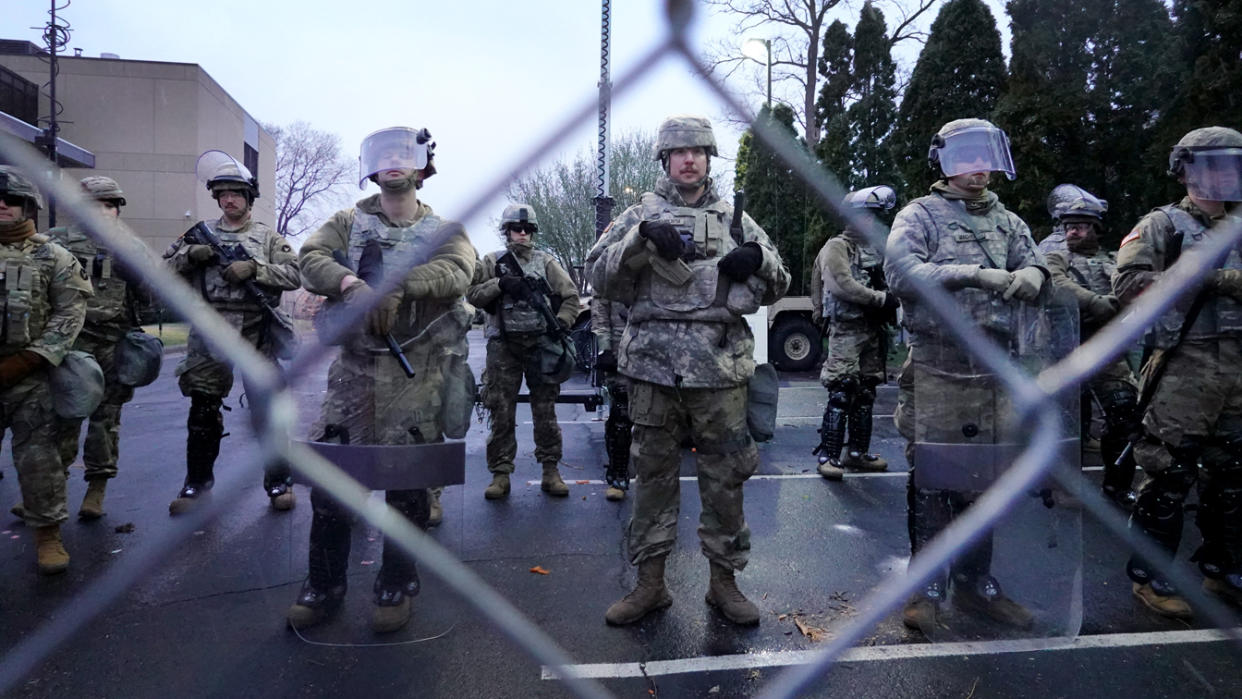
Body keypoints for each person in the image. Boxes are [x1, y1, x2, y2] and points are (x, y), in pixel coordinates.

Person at [592, 115, 790, 626]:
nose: (689, 160)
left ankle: (724, 584)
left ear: (708, 159)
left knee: (724, 479)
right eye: (679, 152)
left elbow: (780, 280)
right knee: (653, 477)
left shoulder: (735, 218)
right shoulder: (639, 214)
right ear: (664, 159)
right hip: (654, 374)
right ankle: (650, 586)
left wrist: (758, 260)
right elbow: (597, 273)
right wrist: (638, 240)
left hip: (720, 372)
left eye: (699, 151)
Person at [287, 126, 476, 633]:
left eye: (404, 154)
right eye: (384, 155)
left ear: (421, 168)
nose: (394, 162)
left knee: (407, 483)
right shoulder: (347, 221)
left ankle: (396, 581)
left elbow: (459, 272)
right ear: (372, 166)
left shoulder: (443, 229)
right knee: (333, 480)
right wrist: (349, 283)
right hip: (354, 370)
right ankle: (323, 584)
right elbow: (310, 258)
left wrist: (398, 287)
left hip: (415, 372)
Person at [885, 118, 1048, 635]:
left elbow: (1039, 265)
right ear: (945, 161)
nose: (979, 168)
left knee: (984, 483)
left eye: (986, 156)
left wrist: (1036, 275)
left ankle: (977, 584)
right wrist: (972, 274)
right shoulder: (921, 215)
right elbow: (899, 273)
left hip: (994, 372)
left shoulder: (1008, 222)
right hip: (939, 368)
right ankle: (926, 588)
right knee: (935, 479)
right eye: (967, 157)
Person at [1113, 126, 1242, 619]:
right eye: (1217, 164)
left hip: (1236, 366)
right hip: (1185, 365)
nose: (1226, 174)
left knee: (1233, 473)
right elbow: (1128, 283)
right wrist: (1210, 278)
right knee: (1168, 473)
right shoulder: (1163, 225)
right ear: (1188, 169)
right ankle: (1151, 578)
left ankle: (1224, 570)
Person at [163, 151, 301, 516]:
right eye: (223, 194)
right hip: (210, 333)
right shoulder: (197, 236)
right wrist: (191, 256)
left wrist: (255, 268)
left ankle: (279, 481)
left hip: (257, 334)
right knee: (203, 412)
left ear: (249, 198)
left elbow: (295, 274)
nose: (229, 199)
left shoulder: (268, 238)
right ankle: (196, 486)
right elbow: (161, 270)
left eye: (236, 193)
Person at [0, 166, 91, 574]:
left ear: (28, 206)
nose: (3, 205)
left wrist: (27, 360)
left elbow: (70, 314)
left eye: (12, 200)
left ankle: (47, 536)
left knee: (40, 461)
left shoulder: (53, 255)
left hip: (29, 377)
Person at [46, 177, 150, 520]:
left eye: (111, 205)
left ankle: (97, 487)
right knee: (66, 416)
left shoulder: (132, 248)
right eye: (96, 205)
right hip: (72, 340)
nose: (105, 212)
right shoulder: (57, 242)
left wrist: (139, 277)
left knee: (106, 420)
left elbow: (154, 299)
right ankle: (52, 490)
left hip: (115, 341)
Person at [467, 203, 580, 500]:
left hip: (540, 344)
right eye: (516, 229)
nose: (521, 234)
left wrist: (562, 325)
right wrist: (501, 284)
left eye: (527, 229)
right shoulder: (492, 261)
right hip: (503, 346)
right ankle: (501, 473)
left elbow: (570, 297)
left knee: (546, 411)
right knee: (501, 411)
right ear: (506, 232)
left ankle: (550, 470)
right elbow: (473, 294)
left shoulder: (546, 262)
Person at [1042, 184, 1139, 508]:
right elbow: (1057, 282)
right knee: (1067, 420)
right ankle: (1060, 485)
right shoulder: (1055, 255)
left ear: (1096, 229)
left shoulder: (1113, 260)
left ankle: (1117, 486)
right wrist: (1097, 301)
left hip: (1107, 348)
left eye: (1081, 226)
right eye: (1069, 226)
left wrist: (1120, 300)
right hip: (1064, 347)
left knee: (1125, 414)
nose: (1073, 231)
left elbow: (1129, 285)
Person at [811, 185, 899, 480]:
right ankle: (829, 455)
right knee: (842, 390)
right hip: (846, 330)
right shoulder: (837, 247)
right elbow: (841, 285)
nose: (871, 222)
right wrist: (881, 299)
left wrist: (889, 300)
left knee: (866, 392)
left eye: (875, 217)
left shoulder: (876, 249)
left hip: (872, 330)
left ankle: (857, 454)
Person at [586, 246, 632, 503]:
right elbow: (600, 310)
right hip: (618, 351)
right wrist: (604, 348)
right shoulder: (610, 268)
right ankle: (618, 477)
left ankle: (657, 483)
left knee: (662, 421)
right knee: (620, 417)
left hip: (654, 352)